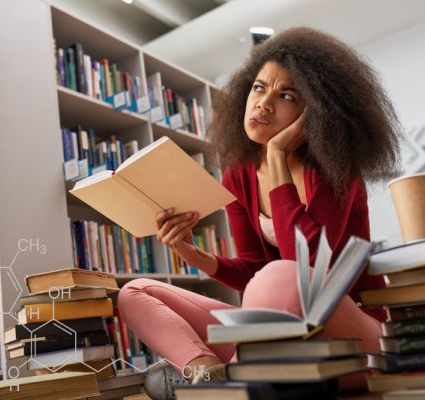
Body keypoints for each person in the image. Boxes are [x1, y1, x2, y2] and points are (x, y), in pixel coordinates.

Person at [117, 27, 401, 400]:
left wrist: (279, 157)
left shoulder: (336, 172)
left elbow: (311, 271)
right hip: (276, 332)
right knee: (136, 292)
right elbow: (252, 271)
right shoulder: (239, 175)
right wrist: (194, 255)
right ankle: (206, 373)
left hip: (353, 334)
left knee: (282, 274)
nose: (264, 103)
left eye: (286, 95)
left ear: (316, 112)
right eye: (259, 88)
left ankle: (238, 373)